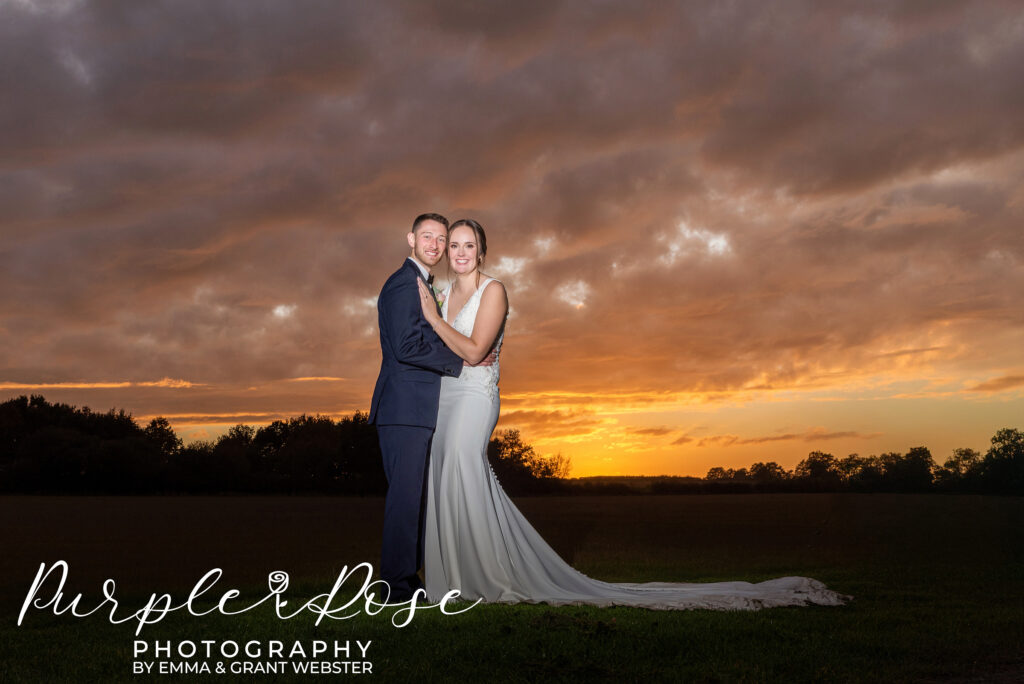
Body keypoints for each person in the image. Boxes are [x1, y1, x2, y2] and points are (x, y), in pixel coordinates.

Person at [415, 219, 851, 610]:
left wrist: (434, 320)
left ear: (482, 250)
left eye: (468, 245)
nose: (460, 252)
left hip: (474, 398)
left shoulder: (494, 290)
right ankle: (453, 578)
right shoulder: (443, 291)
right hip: (445, 396)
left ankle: (492, 577)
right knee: (445, 471)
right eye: (453, 244)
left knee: (464, 465)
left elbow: (475, 351)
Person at [369, 212, 464, 603]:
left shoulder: (421, 284)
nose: (435, 245)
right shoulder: (402, 285)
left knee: (413, 500)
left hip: (415, 410)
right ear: (410, 239)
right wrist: (461, 361)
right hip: (403, 409)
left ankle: (407, 580)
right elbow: (407, 347)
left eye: (441, 239)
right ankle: (395, 589)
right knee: (406, 501)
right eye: (428, 236)